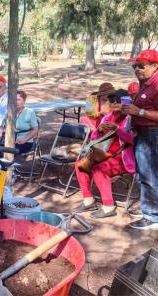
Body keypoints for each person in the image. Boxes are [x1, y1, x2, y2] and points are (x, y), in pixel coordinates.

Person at [74, 89, 135, 219]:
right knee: (80, 164)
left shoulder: (131, 119)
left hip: (122, 159)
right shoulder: (107, 117)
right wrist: (99, 130)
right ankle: (88, 200)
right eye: (112, 101)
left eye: (118, 101)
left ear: (126, 102)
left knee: (98, 168)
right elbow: (95, 138)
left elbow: (133, 140)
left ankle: (109, 206)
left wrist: (117, 129)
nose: (114, 103)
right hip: (104, 154)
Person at [122, 49, 158, 230]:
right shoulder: (145, 82)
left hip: (152, 134)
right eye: (135, 66)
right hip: (142, 133)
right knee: (145, 175)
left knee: (149, 175)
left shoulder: (157, 83)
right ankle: (150, 207)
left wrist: (139, 112)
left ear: (154, 66)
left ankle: (151, 216)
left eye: (141, 65)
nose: (137, 69)